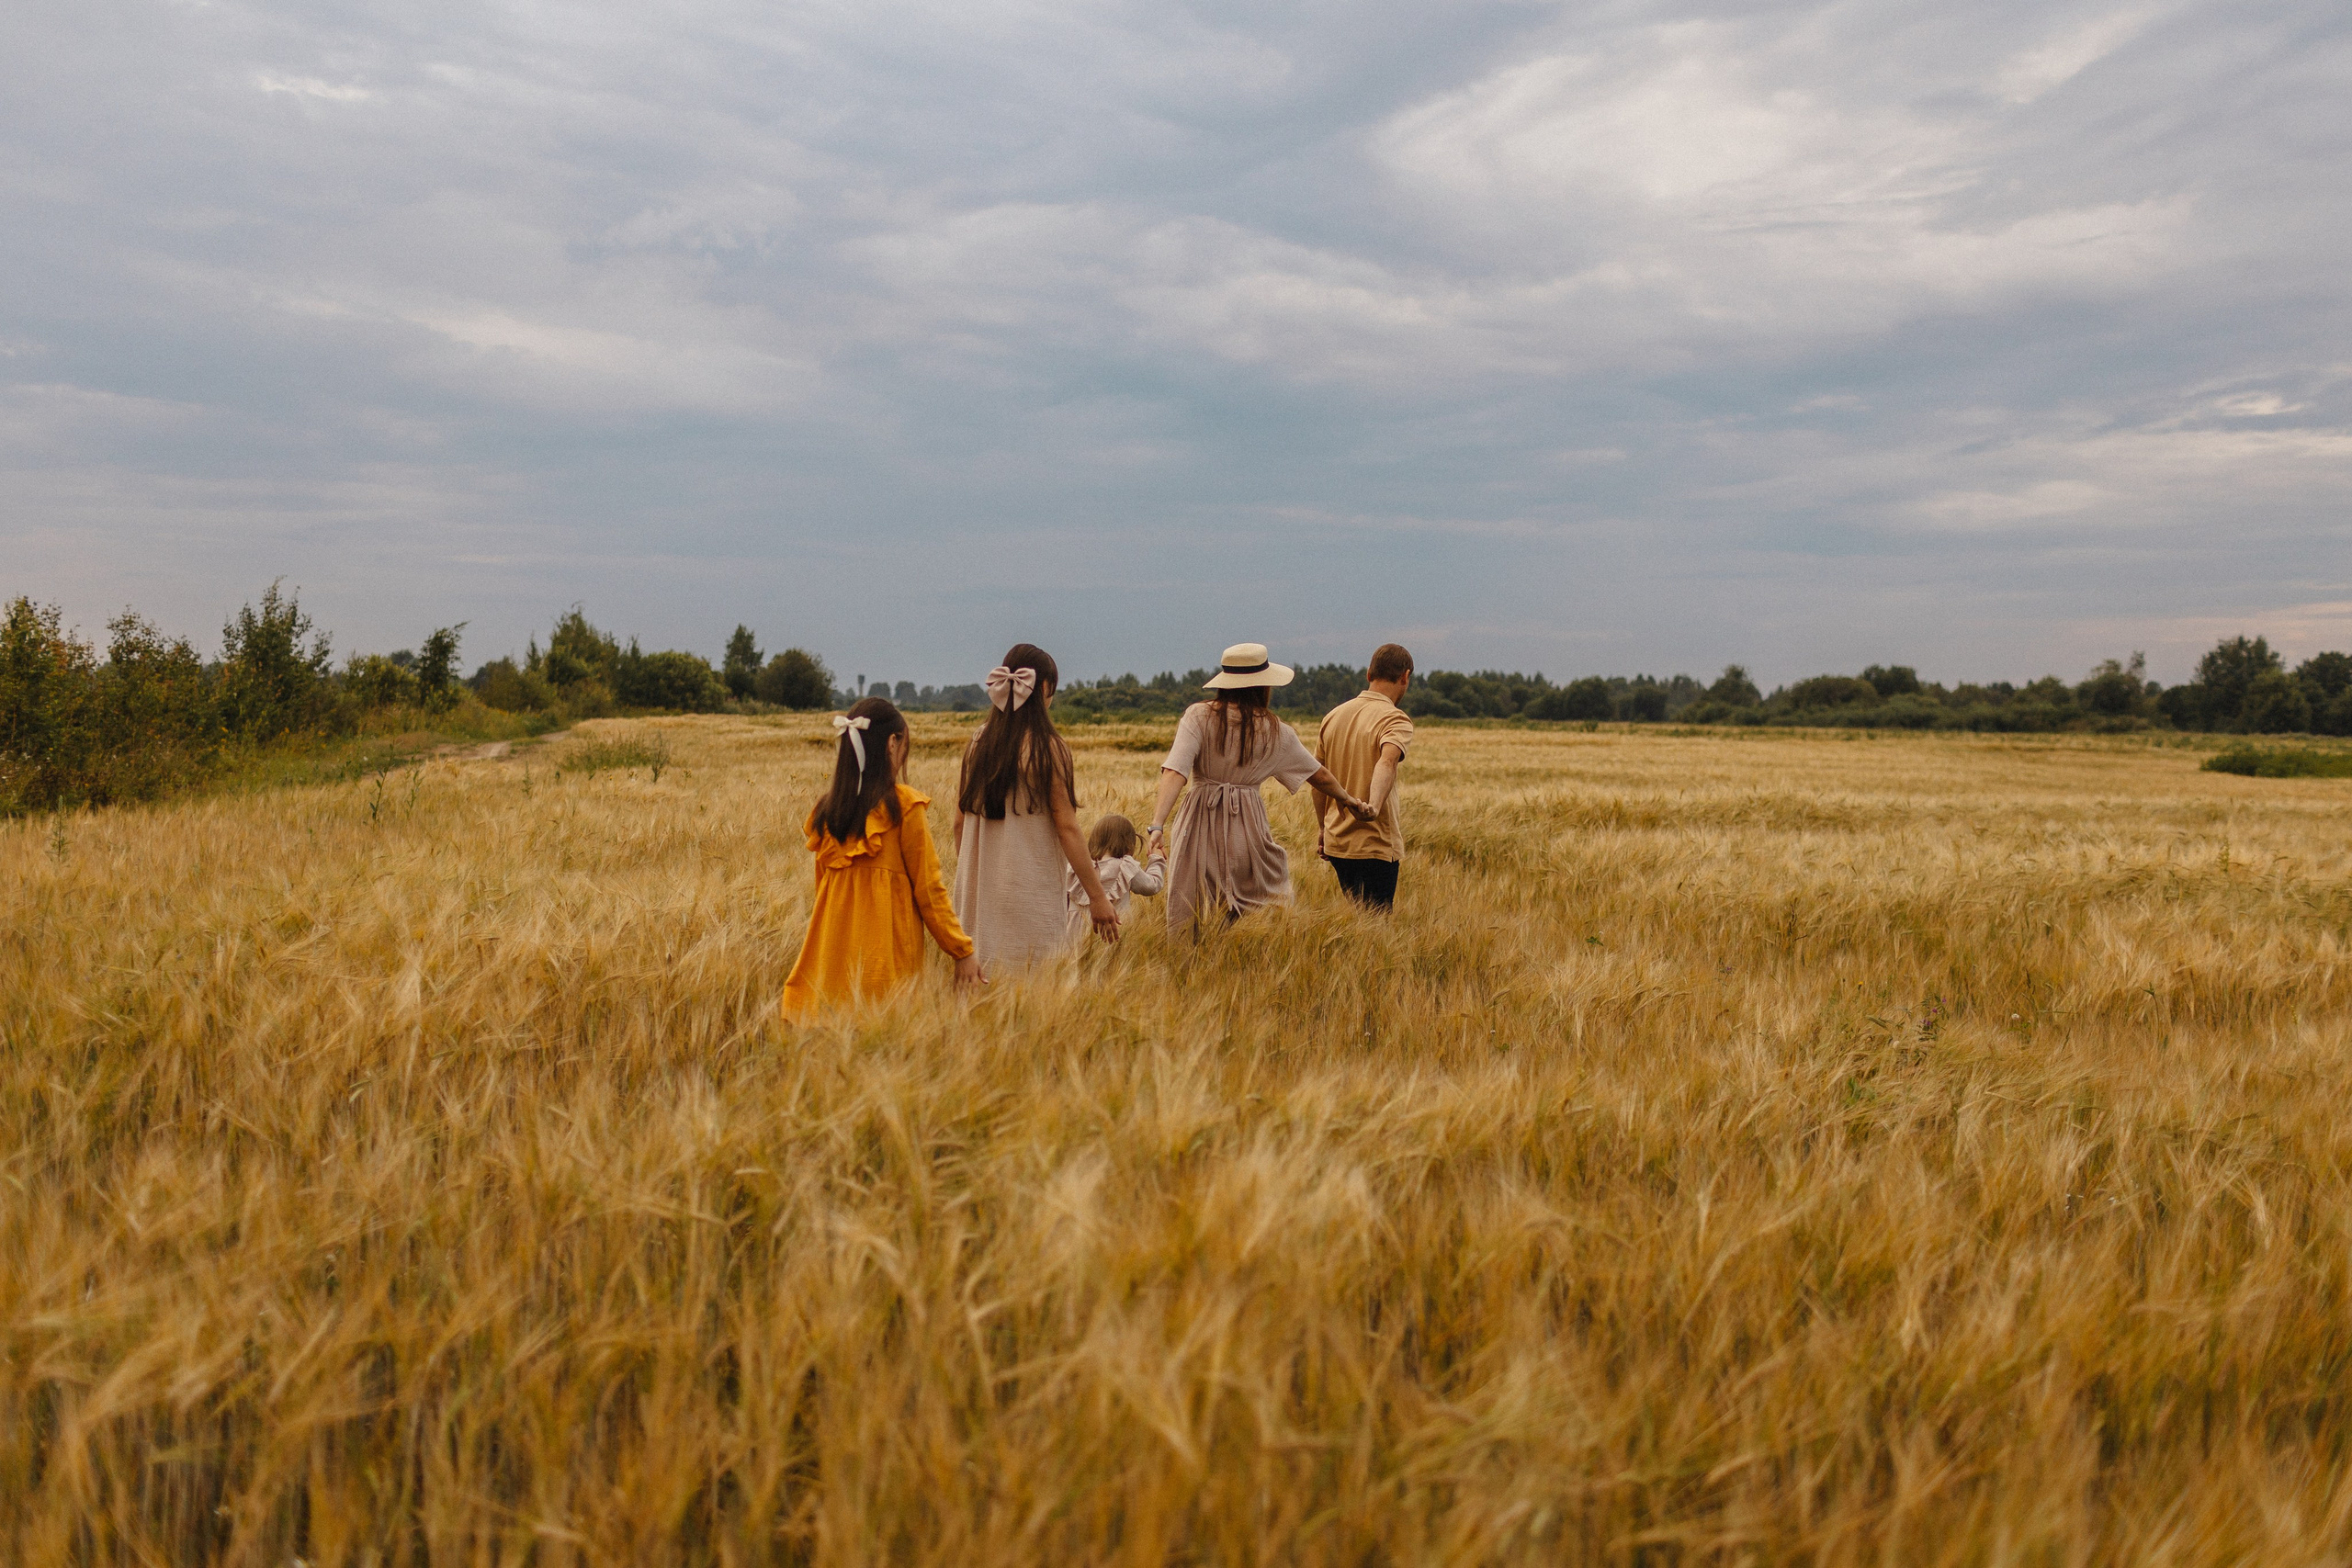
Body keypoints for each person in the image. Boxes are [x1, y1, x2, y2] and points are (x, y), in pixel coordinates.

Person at [1144, 643, 1376, 931]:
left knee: (1194, 906)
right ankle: (1250, 963)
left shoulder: (1198, 716)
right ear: (1264, 685)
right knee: (1264, 904)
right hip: (1247, 827)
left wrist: (1157, 825)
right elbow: (1318, 775)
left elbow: (1175, 771)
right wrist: (1349, 800)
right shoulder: (1276, 729)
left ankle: (1192, 964)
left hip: (1198, 825)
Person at [781, 697, 982, 1019]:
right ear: (892, 743)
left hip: (831, 957)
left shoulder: (826, 811)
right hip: (885, 960)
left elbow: (822, 892)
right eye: (905, 745)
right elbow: (929, 891)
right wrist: (961, 951)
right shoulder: (903, 807)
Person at [953, 643, 1121, 970]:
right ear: (1044, 687)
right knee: (1036, 977)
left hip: (977, 897)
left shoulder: (978, 742)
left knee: (979, 993)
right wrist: (1098, 897)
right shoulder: (1049, 749)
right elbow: (1067, 827)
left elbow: (959, 823)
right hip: (1030, 891)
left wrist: (974, 876)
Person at [1315, 643, 1417, 909]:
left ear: (1369, 674)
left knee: (1356, 918)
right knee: (1377, 926)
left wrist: (1322, 828)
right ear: (1405, 676)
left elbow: (1317, 778)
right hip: (1376, 842)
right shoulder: (1395, 719)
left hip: (1338, 843)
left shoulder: (1333, 716)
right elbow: (1387, 761)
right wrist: (1373, 806)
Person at [1065, 814, 1165, 942]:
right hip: (1111, 933)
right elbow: (1151, 886)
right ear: (1129, 843)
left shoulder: (1076, 868)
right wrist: (1157, 860)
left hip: (1074, 938)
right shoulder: (1125, 866)